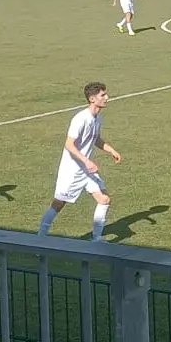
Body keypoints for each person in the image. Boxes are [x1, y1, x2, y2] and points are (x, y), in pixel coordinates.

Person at [39, 82, 123, 241]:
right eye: (103, 95)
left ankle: (96, 240)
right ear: (92, 99)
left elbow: (95, 139)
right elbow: (69, 144)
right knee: (58, 204)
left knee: (104, 200)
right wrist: (87, 161)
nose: (107, 98)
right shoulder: (80, 119)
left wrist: (111, 150)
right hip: (72, 171)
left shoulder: (98, 118)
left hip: (86, 170)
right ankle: (40, 239)